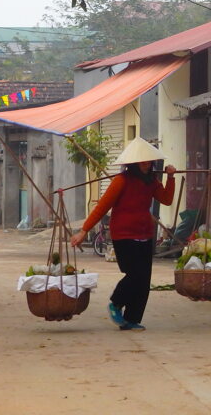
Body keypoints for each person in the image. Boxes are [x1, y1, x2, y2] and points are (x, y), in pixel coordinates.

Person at [70, 137, 176, 331]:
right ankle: (116, 303)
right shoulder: (121, 181)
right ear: (133, 164)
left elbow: (167, 200)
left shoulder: (152, 181)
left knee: (144, 281)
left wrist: (170, 178)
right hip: (124, 235)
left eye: (148, 161)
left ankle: (132, 319)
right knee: (134, 275)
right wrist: (84, 230)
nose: (146, 164)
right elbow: (102, 207)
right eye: (142, 162)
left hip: (145, 234)